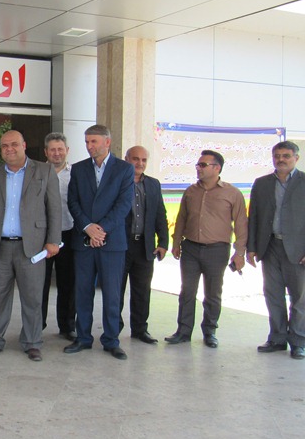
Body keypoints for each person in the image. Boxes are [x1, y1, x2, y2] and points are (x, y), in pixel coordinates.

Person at [0, 130, 61, 361]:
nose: (9, 149)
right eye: (4, 146)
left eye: (14, 144)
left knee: (33, 298)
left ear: (24, 145)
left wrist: (53, 240)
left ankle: (32, 342)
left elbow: (54, 208)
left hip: (32, 247)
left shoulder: (44, 171)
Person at [65, 124, 134, 360]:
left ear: (107, 142)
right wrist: (87, 228)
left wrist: (100, 230)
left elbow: (123, 205)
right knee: (82, 292)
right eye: (87, 142)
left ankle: (111, 340)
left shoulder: (124, 169)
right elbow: (73, 202)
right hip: (84, 242)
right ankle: (83, 337)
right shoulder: (78, 169)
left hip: (112, 243)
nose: (89, 146)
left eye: (93, 141)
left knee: (112, 295)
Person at [166, 150, 247, 348]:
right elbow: (182, 218)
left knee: (212, 293)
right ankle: (183, 331)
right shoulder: (191, 191)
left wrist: (240, 253)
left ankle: (210, 331)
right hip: (191, 248)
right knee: (187, 291)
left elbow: (241, 224)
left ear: (217, 168)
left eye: (203, 165)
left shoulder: (232, 193)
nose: (198, 168)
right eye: (198, 165)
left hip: (217, 250)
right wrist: (176, 243)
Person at [247, 141, 305, 360]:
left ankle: (298, 341)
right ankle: (278, 338)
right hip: (269, 246)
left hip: (298, 250)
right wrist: (251, 248)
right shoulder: (262, 183)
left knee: (299, 298)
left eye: (286, 156)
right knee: (273, 295)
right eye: (277, 156)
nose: (281, 160)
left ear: (296, 158)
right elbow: (253, 216)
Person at [119, 146, 169, 344]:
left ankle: (140, 330)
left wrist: (163, 242)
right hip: (121, 246)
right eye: (135, 159)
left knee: (142, 291)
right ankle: (114, 329)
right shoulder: (118, 181)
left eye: (144, 160)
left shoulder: (153, 184)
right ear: (126, 159)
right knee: (116, 290)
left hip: (145, 247)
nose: (140, 163)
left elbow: (160, 214)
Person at [40, 132, 77, 341]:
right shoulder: (37, 173)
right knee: (39, 283)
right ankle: (38, 324)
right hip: (42, 237)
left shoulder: (76, 175)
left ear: (67, 151)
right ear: (46, 152)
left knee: (68, 283)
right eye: (52, 149)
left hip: (68, 234)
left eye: (60, 149)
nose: (56, 153)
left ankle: (67, 325)